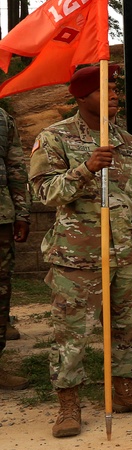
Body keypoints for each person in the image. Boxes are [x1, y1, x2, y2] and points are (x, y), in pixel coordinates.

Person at [29, 65, 132, 437]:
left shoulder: (127, 141)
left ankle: (124, 390)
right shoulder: (54, 137)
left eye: (116, 89)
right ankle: (68, 405)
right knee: (72, 333)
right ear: (81, 97)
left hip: (126, 251)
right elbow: (45, 193)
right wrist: (86, 168)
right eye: (105, 90)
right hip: (77, 254)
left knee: (127, 328)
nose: (115, 95)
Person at [0, 104, 31, 390]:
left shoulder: (2, 119)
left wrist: (22, 212)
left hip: (1, 218)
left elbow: (15, 167)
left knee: (1, 289)